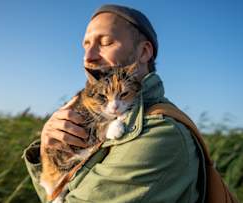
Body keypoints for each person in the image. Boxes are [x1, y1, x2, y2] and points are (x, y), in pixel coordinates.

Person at [23, 4, 205, 203]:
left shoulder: (160, 133)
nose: (88, 57)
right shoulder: (92, 116)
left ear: (144, 52)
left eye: (106, 42)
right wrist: (47, 155)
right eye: (85, 45)